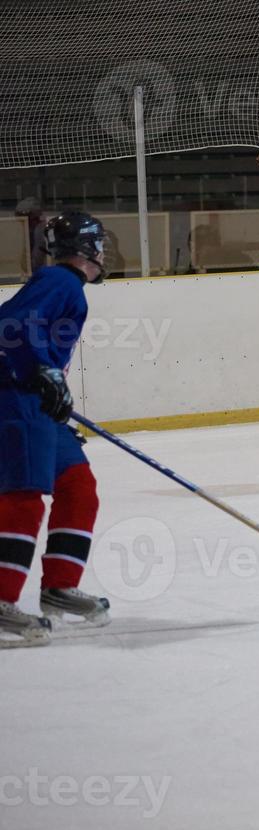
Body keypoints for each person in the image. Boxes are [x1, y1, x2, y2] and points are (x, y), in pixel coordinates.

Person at [0, 212, 112, 648]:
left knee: (78, 486)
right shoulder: (61, 282)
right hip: (17, 399)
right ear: (86, 248)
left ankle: (60, 588)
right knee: (24, 499)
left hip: (39, 404)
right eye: (99, 243)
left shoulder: (66, 287)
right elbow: (9, 327)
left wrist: (53, 391)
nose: (104, 251)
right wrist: (42, 372)